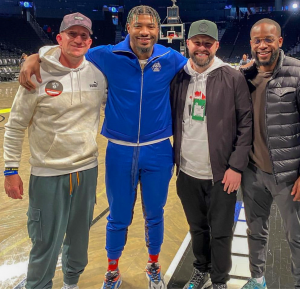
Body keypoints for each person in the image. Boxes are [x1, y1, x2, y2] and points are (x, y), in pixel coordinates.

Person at [18, 5, 187, 289]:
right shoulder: (106, 55)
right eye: (138, 26)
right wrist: (36, 56)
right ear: (128, 28)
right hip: (119, 150)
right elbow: (68, 50)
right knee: (118, 215)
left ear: (158, 31)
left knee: (155, 214)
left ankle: (153, 266)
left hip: (158, 149)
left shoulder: (172, 58)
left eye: (151, 27)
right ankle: (112, 272)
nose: (145, 32)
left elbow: (206, 66)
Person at [3, 12, 107, 289]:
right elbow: (14, 127)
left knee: (79, 239)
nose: (78, 39)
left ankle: (71, 283)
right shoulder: (36, 74)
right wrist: (10, 170)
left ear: (90, 41)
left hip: (86, 171)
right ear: (59, 38)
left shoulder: (97, 75)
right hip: (48, 174)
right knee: (45, 241)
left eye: (84, 35)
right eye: (72, 34)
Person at [170, 20, 252, 289]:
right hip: (187, 171)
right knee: (197, 228)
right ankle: (200, 268)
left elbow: (245, 124)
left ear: (216, 45)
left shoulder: (232, 77)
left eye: (208, 43)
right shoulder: (179, 77)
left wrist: (236, 167)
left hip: (221, 174)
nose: (202, 48)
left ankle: (219, 279)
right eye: (197, 42)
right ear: (188, 44)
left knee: (220, 233)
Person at [240, 18, 300, 289]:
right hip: (253, 172)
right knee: (255, 232)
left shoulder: (297, 73)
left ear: (280, 42)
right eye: (257, 40)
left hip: (288, 176)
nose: (262, 45)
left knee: (296, 236)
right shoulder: (245, 76)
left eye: (268, 39)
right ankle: (257, 279)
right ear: (251, 44)